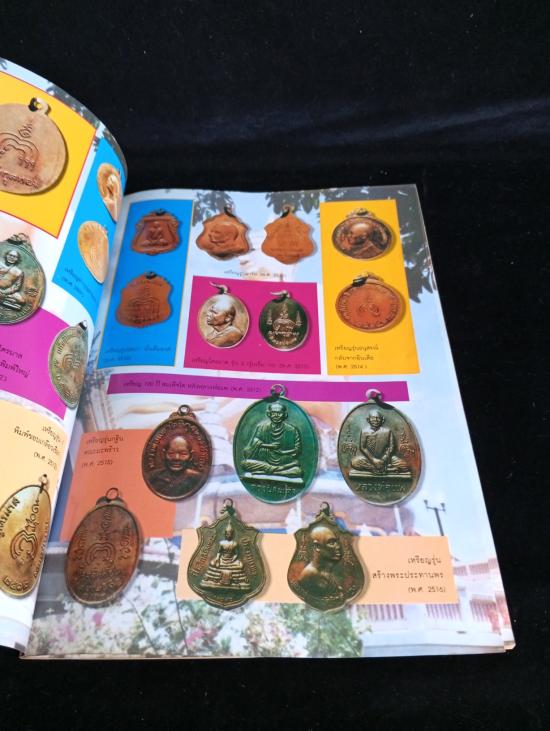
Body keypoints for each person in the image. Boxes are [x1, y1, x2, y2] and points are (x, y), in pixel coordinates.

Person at [241, 402, 302, 479]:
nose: (276, 416)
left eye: (279, 413)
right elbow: (250, 448)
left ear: (285, 415)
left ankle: (270, 471)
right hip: (264, 460)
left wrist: (282, 452)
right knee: (244, 463)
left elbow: (297, 450)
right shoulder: (261, 427)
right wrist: (269, 446)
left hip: (284, 460)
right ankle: (279, 471)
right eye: (273, 413)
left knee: (299, 471)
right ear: (268, 414)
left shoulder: (292, 430)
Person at [351, 409, 409, 474]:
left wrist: (383, 459)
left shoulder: (388, 431)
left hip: (386, 459)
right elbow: (362, 447)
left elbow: (391, 447)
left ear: (382, 420)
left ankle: (378, 468)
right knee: (354, 462)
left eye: (378, 418)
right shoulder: (364, 432)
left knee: (405, 466)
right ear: (368, 420)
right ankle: (385, 469)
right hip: (369, 459)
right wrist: (373, 460)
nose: (375, 420)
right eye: (373, 418)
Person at [297, 525, 344, 599]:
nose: (338, 547)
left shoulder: (324, 571)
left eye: (336, 542)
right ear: (317, 547)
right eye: (331, 542)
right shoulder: (310, 574)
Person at [201, 523, 249, 588]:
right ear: (225, 534)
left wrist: (234, 559)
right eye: (227, 534)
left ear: (232, 534)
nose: (228, 535)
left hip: (231, 560)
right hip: (222, 559)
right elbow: (219, 552)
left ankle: (237, 581)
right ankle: (214, 579)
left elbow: (236, 554)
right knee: (212, 563)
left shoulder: (235, 543)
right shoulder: (222, 543)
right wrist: (217, 558)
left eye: (230, 534)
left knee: (240, 565)